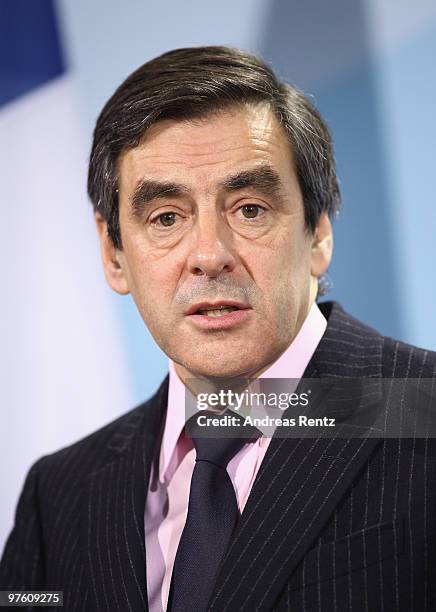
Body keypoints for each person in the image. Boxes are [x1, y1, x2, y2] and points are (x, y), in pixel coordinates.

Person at [1, 46, 435, 612]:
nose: (209, 254)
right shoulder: (58, 495)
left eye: (249, 208)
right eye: (166, 218)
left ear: (319, 232)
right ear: (114, 254)